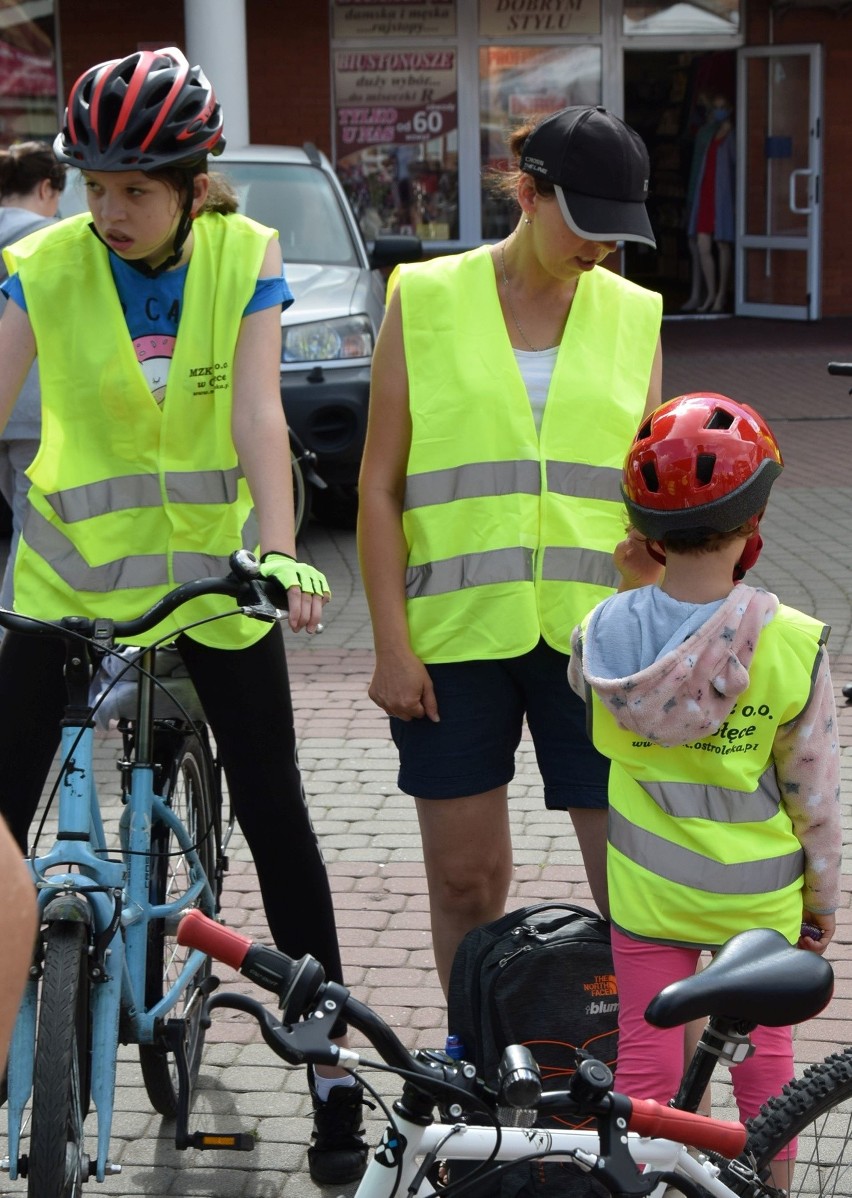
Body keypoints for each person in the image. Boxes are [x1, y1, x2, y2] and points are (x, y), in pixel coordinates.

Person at [0, 47, 367, 1186]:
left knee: (276, 812)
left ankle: (328, 1067)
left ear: (195, 179)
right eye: (94, 184)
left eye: (136, 189)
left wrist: (272, 546)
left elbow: (260, 415)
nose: (109, 209)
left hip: (211, 587)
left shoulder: (242, 258)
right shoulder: (41, 263)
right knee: (3, 820)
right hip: (63, 587)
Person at [358, 103, 663, 994]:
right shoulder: (424, 296)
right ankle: (471, 1076)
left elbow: (648, 496)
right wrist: (389, 643)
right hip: (452, 642)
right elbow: (380, 485)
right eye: (588, 225)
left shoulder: (635, 315)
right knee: (466, 882)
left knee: (635, 892)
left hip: (599, 645)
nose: (602, 248)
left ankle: (644, 1100)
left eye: (620, 232)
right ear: (527, 193)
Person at [568, 392, 842, 1189]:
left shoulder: (601, 639)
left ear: (646, 535)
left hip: (651, 898)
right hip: (760, 907)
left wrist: (629, 589)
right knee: (769, 1083)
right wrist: (820, 904)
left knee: (647, 1076)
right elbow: (815, 795)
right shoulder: (792, 643)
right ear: (753, 527)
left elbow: (598, 667)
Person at [0, 141, 67, 615]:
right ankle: (13, 642)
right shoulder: (53, 241)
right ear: (47, 187)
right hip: (33, 412)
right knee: (32, 533)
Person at [686, 93, 735, 313]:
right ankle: (710, 294)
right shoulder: (708, 133)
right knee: (703, 244)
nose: (718, 111)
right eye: (715, 107)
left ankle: (721, 295)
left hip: (723, 196)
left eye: (722, 106)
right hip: (705, 192)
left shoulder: (733, 135)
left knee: (723, 243)